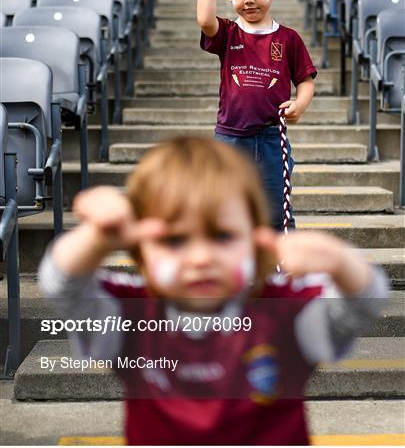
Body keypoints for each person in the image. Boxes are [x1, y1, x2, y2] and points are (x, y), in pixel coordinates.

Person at [39, 137, 387, 445]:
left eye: (222, 236)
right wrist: (98, 237)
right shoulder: (131, 312)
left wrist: (341, 262)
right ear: (140, 247)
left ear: (255, 237)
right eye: (174, 240)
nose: (202, 258)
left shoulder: (284, 308)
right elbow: (63, 285)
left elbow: (361, 304)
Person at [197, 0, 317, 230]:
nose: (249, 0)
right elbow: (204, 19)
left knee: (276, 213)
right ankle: (232, 270)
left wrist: (300, 104)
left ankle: (279, 271)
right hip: (229, 137)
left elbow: (305, 81)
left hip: (271, 138)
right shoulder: (228, 33)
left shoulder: (288, 39)